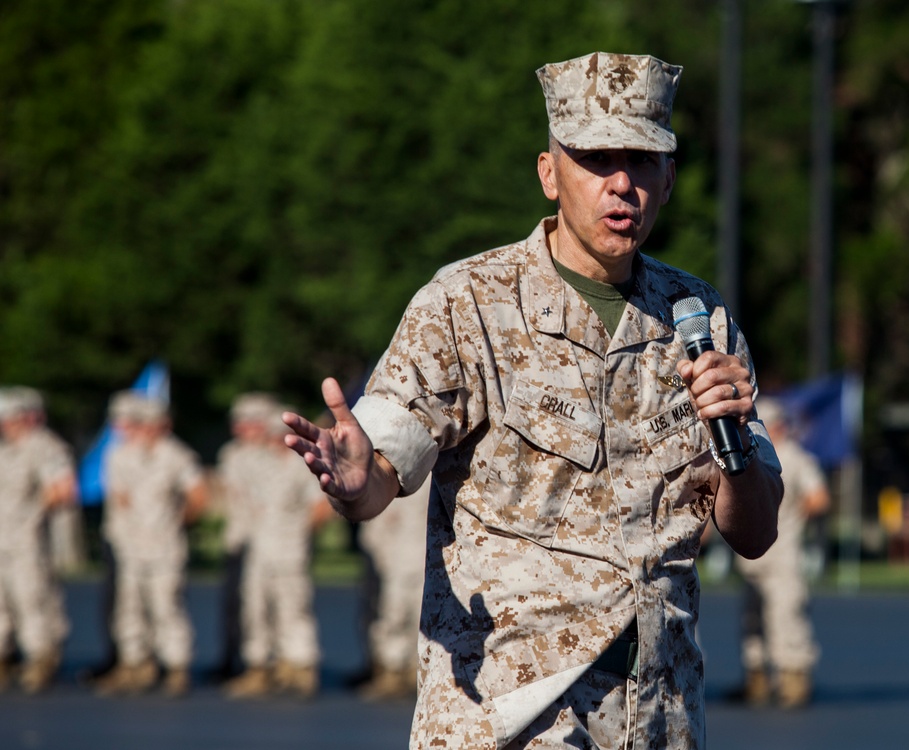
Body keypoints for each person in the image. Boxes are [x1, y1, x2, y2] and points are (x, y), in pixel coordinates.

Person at [284, 51, 783, 749]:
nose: (621, 184)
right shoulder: (467, 304)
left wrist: (735, 450)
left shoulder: (701, 318)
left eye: (643, 162)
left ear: (668, 180)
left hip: (656, 715)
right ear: (550, 174)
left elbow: (755, 534)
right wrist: (351, 480)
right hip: (512, 718)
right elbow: (379, 472)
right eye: (595, 158)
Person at [94, 391, 208, 698]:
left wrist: (177, 522)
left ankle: (176, 668)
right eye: (140, 423)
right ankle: (134, 665)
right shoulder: (119, 455)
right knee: (128, 609)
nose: (144, 429)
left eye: (151, 424)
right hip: (130, 546)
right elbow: (119, 498)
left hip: (164, 547)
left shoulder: (176, 455)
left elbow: (198, 495)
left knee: (166, 608)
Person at [223, 403, 333, 699]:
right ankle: (259, 667)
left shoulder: (303, 466)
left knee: (293, 608)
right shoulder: (255, 463)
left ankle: (300, 667)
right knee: (255, 610)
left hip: (290, 550)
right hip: (259, 550)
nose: (274, 440)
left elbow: (321, 507)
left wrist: (300, 534)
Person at [735, 397, 829, 709]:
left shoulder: (797, 459)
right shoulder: (751, 456)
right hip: (753, 558)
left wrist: (793, 517)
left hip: (785, 553)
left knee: (787, 615)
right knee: (753, 618)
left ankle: (793, 680)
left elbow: (819, 499)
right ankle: (757, 680)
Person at [0, 387, 79, 694]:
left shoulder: (45, 447)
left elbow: (63, 489)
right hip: (2, 537)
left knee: (31, 598)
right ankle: (5, 657)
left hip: (26, 540)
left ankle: (40, 658)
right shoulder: (5, 449)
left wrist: (34, 514)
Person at [210, 392, 278, 682]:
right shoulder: (230, 455)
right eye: (238, 422)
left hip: (272, 545)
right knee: (233, 603)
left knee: (267, 606)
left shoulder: (277, 457)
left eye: (250, 422)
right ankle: (232, 656)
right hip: (238, 541)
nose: (241, 428)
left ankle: (267, 663)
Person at [353, 475, 429, 700]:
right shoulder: (382, 479)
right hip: (391, 558)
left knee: (416, 615)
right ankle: (390, 669)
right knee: (387, 613)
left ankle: (409, 670)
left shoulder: (427, 477)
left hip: (419, 557)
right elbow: (375, 529)